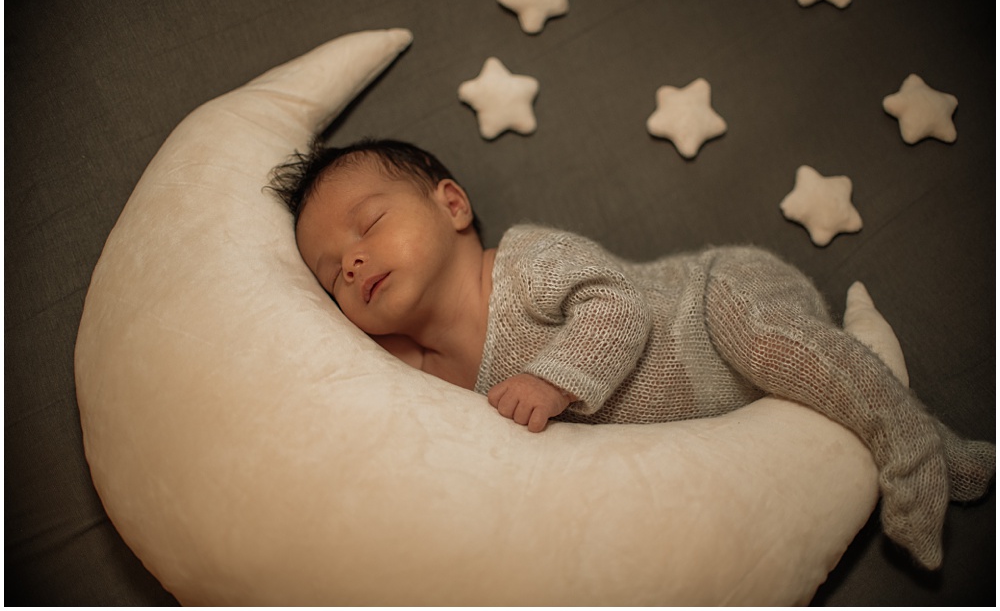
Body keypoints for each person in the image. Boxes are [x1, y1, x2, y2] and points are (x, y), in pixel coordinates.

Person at [268, 137, 994, 571]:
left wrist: (553, 381)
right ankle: (955, 453)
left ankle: (909, 448)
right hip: (709, 417)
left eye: (367, 226)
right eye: (334, 275)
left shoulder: (524, 264)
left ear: (452, 205)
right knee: (806, 407)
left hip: (708, 306)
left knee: (777, 345)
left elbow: (619, 305)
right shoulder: (423, 372)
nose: (354, 264)